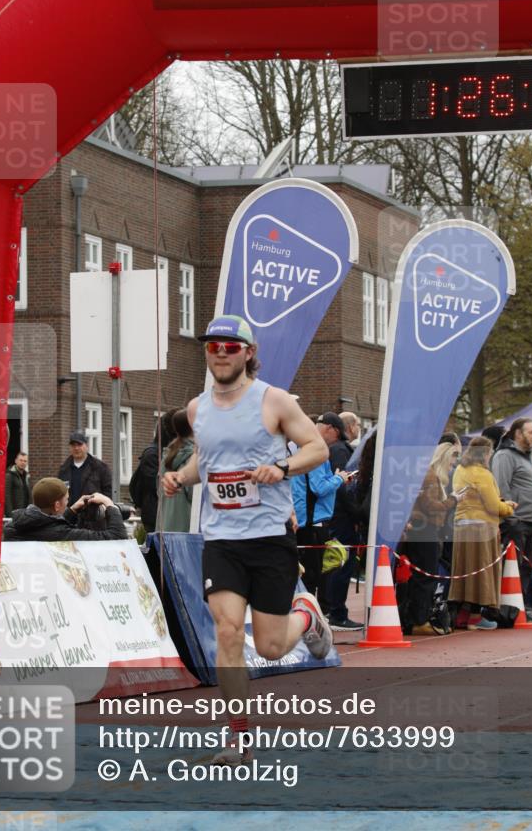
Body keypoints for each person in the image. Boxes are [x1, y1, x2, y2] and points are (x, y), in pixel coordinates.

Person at [162, 314, 330, 763]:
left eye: (230, 346)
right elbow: (208, 459)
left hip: (270, 536)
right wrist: (182, 475)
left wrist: (282, 468)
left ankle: (307, 616)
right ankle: (238, 735)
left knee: (273, 646)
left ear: (248, 353)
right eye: (212, 346)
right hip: (221, 538)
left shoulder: (273, 401)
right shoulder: (197, 409)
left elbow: (318, 448)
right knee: (228, 631)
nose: (220, 352)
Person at [448, 437, 516, 629]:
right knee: (482, 573)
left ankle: (461, 615)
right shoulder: (483, 474)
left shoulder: (460, 470)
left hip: (462, 525)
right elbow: (493, 505)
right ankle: (477, 617)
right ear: (485, 453)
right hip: (482, 527)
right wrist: (509, 507)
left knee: (464, 571)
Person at [399, 441, 460, 636]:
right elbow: (431, 506)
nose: (454, 463)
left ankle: (414, 618)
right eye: (453, 458)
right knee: (425, 576)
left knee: (422, 576)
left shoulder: (430, 476)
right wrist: (454, 500)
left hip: (422, 529)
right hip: (424, 529)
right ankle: (418, 619)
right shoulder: (430, 476)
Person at [492, 418, 532, 625]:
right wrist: (510, 516)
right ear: (518, 434)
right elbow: (501, 487)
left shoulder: (530, 457)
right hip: (515, 520)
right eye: (531, 432)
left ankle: (519, 607)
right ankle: (507, 610)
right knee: (512, 567)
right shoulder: (505, 456)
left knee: (525, 567)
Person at [291, 430, 349, 609]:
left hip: (302, 520)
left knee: (308, 572)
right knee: (313, 573)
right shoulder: (315, 456)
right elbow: (319, 488)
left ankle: (307, 613)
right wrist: (339, 479)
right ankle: (309, 616)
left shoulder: (297, 454)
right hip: (313, 521)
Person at [326, 431, 378, 632]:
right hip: (345, 522)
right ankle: (337, 613)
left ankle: (336, 611)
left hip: (343, 520)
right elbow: (341, 491)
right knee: (340, 566)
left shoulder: (361, 466)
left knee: (339, 566)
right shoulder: (341, 454)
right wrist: (357, 515)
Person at [3, 478, 127, 541]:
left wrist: (72, 511)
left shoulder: (12, 526)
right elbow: (117, 537)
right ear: (57, 505)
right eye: (67, 499)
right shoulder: (60, 534)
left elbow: (46, 525)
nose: (68, 503)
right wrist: (109, 504)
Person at [130, 411, 177, 533]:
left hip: (162, 513)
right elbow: (155, 485)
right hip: (155, 515)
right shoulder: (152, 454)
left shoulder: (164, 451)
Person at [158, 409, 195, 532]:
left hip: (165, 525)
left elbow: (158, 490)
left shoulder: (167, 455)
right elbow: (194, 496)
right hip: (186, 526)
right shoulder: (194, 457)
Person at [58, 431, 112, 504]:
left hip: (92, 513)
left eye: (79, 445)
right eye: (73, 445)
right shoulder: (64, 469)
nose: (76, 448)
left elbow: (108, 493)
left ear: (87, 446)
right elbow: (60, 494)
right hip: (70, 513)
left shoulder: (100, 468)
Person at [4, 452, 31, 517]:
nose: (23, 463)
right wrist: (10, 515)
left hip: (25, 513)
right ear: (16, 461)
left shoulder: (27, 476)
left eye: (25, 461)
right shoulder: (9, 475)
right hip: (15, 514)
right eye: (21, 460)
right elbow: (7, 496)